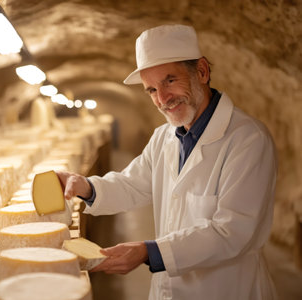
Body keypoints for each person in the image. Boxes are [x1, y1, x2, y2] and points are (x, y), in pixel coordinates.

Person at [56, 24, 277, 300]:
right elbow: (133, 184)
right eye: (151, 90)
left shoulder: (247, 139)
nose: (162, 99)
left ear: (202, 72)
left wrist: (149, 252)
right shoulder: (164, 137)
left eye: (170, 81)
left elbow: (231, 232)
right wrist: (85, 187)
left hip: (227, 290)